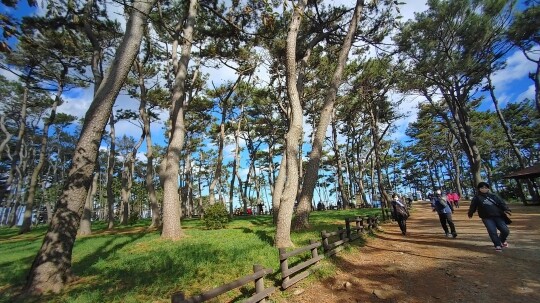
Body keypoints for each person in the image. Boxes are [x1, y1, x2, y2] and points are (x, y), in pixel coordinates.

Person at [468, 182, 511, 252]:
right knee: (492, 231)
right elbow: (473, 206)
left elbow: (501, 203)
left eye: (486, 188)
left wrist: (506, 209)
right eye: (482, 188)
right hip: (486, 217)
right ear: (479, 189)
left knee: (505, 230)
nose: (484, 189)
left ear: (488, 188)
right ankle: (497, 245)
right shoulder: (476, 198)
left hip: (498, 215)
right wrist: (470, 213)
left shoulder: (494, 196)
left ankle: (501, 240)